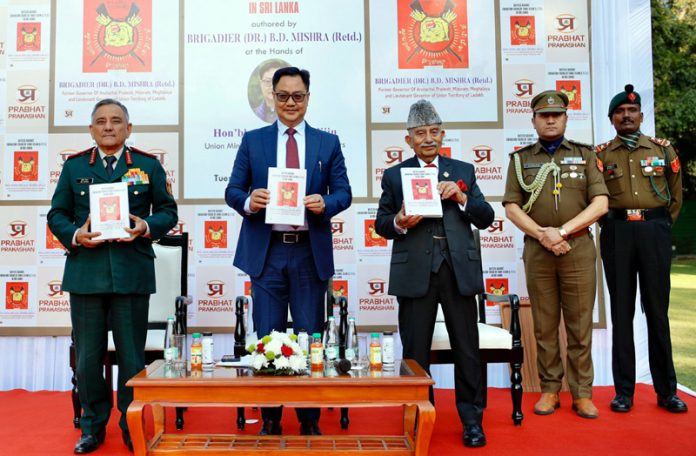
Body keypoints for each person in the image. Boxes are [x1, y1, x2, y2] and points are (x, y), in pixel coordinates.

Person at [225, 67, 352, 436]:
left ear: (308, 98)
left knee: (311, 336)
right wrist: (251, 200)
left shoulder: (327, 144)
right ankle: (270, 418)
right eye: (283, 96)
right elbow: (232, 191)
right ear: (273, 98)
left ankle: (309, 419)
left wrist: (323, 202)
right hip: (267, 254)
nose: (290, 103)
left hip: (308, 253)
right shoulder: (254, 141)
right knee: (269, 335)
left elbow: (343, 193)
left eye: (298, 96)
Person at [47, 99, 178, 454]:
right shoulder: (75, 168)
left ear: (128, 128)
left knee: (132, 358)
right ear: (91, 129)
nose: (109, 127)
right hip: (86, 275)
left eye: (116, 121)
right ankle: (91, 426)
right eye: (101, 122)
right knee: (89, 358)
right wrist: (76, 234)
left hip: (130, 273)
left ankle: (130, 424)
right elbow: (56, 213)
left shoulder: (148, 165)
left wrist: (146, 226)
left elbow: (168, 211)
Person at [375, 100, 494, 448]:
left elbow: (485, 217)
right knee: (415, 352)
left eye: (433, 131)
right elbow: (382, 225)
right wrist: (399, 221)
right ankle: (414, 418)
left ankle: (472, 420)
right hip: (415, 272)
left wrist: (461, 196)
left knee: (467, 350)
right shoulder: (394, 175)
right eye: (420, 133)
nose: (428, 139)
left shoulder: (464, 170)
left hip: (457, 270)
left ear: (442, 134)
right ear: (408, 139)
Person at [502, 90, 608, 419]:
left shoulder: (586, 155)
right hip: (538, 250)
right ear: (533, 120)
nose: (550, 119)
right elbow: (511, 207)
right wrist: (544, 236)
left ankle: (582, 393)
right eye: (544, 115)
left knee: (579, 325)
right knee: (545, 326)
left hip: (577, 247)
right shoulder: (520, 159)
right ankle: (550, 389)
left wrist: (561, 232)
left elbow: (601, 204)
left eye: (556, 115)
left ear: (565, 118)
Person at [596, 84, 688, 414]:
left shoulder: (664, 151)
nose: (626, 116)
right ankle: (624, 393)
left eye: (631, 111)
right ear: (612, 119)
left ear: (641, 115)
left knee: (657, 313)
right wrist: (613, 225)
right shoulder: (601, 155)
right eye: (620, 112)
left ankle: (667, 391)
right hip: (617, 231)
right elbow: (596, 199)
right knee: (622, 313)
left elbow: (675, 197)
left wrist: (660, 225)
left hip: (654, 231)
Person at [250, 59, 289, 123]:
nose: (272, 86)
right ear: (261, 84)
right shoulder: (253, 113)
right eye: (268, 81)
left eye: (277, 81)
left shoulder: (294, 113)